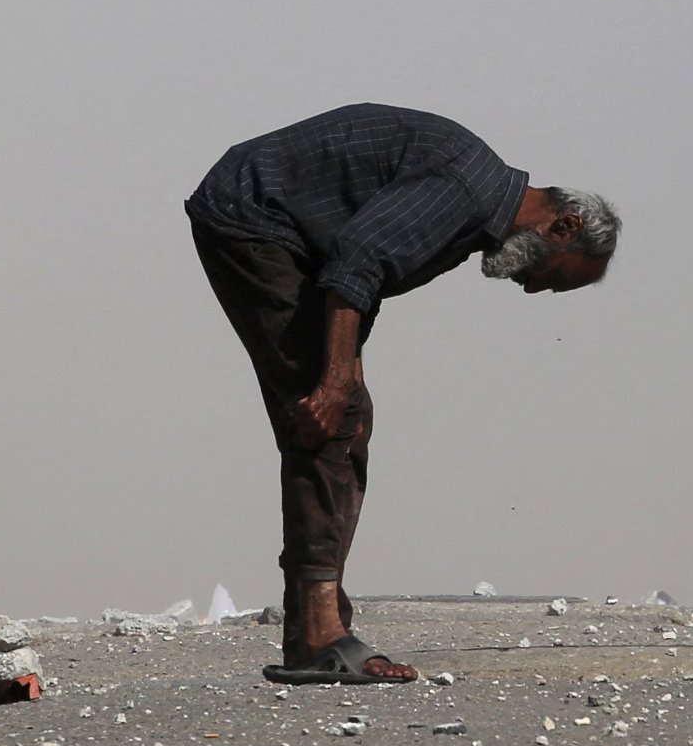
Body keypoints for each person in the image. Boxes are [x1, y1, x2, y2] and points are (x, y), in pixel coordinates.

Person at [185, 103, 619, 683]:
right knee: (328, 418)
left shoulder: (472, 214)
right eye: (555, 277)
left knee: (347, 416)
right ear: (562, 226)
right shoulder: (465, 192)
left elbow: (364, 274)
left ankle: (319, 624)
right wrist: (336, 378)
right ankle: (319, 635)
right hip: (253, 216)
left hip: (283, 232)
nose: (533, 287)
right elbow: (358, 261)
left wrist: (347, 371)